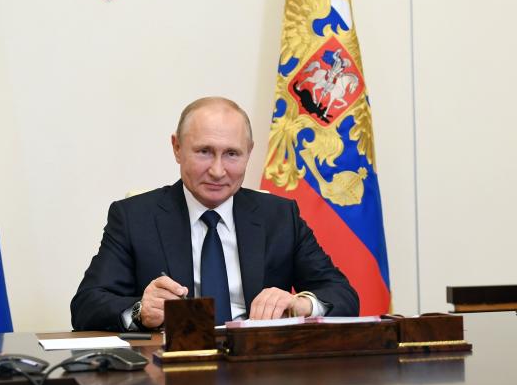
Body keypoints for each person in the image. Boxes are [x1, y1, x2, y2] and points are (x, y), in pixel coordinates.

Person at [71, 96, 359, 331]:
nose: (218, 170)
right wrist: (139, 311)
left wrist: (303, 304)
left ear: (249, 152)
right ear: (177, 148)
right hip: (171, 376)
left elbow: (343, 295)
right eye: (204, 152)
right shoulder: (135, 217)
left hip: (260, 375)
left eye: (232, 154)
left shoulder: (279, 216)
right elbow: (86, 305)